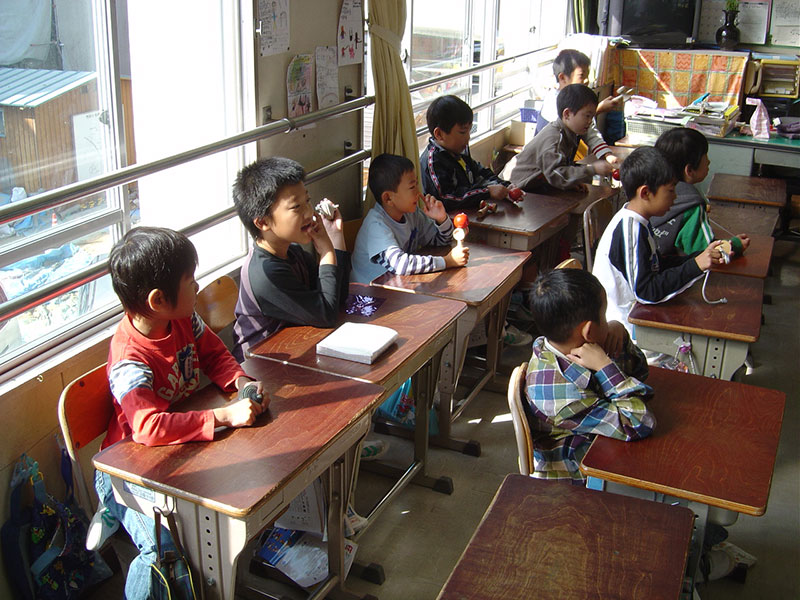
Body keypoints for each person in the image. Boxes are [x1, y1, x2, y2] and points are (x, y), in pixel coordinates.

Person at [98, 226, 269, 600]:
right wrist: (224, 417)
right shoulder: (130, 357)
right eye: (190, 280)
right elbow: (147, 427)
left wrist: (241, 385)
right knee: (161, 549)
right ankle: (113, 509)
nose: (197, 287)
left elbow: (214, 355)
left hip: (180, 449)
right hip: (129, 468)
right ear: (158, 300)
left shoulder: (182, 319)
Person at [524, 268, 655, 480]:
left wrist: (617, 332)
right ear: (588, 331)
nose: (608, 320)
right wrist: (605, 367)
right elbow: (640, 422)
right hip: (578, 477)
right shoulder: (563, 393)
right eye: (605, 316)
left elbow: (640, 371)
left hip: (600, 444)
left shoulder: (557, 343)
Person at [592, 146, 724, 335]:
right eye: (670, 191)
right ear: (645, 193)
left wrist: (698, 259)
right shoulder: (630, 230)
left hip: (637, 314)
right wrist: (695, 265)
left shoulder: (638, 221)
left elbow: (656, 264)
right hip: (625, 328)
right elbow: (647, 291)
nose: (676, 197)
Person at [231, 157, 349, 362]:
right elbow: (327, 315)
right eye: (296, 207)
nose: (309, 212)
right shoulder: (265, 273)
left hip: (296, 354)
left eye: (308, 201)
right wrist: (327, 251)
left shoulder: (292, 252)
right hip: (259, 370)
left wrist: (335, 238)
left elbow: (337, 298)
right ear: (263, 222)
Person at [351, 153, 468, 284]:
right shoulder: (376, 225)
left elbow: (440, 241)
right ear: (388, 198)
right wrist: (447, 261)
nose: (418, 192)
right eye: (412, 187)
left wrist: (441, 219)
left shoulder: (411, 213)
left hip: (398, 286)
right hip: (368, 297)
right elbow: (400, 265)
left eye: (417, 184)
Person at [652, 127, 750, 257]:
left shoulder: (650, 187)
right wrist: (734, 245)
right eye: (705, 156)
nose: (709, 161)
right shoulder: (692, 204)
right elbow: (707, 252)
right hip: (670, 271)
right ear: (690, 170)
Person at [419, 95, 516, 211]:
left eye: (469, 131)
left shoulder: (458, 151)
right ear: (439, 134)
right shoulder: (433, 162)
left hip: (471, 214)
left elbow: (480, 173)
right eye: (463, 132)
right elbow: (445, 198)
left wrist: (505, 187)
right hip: (447, 224)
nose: (468, 137)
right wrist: (487, 192)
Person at [510, 83, 613, 192]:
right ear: (567, 114)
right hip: (512, 189)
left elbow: (555, 175)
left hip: (533, 188)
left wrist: (572, 182)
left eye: (592, 117)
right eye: (587, 116)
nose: (589, 121)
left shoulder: (568, 132)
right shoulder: (554, 138)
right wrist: (592, 169)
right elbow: (557, 174)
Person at [534, 48, 622, 162]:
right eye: (582, 76)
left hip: (560, 164)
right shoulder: (552, 102)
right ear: (562, 78)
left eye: (588, 76)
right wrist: (598, 109)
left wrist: (607, 155)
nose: (586, 81)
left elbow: (591, 133)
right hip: (543, 167)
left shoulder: (579, 101)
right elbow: (574, 123)